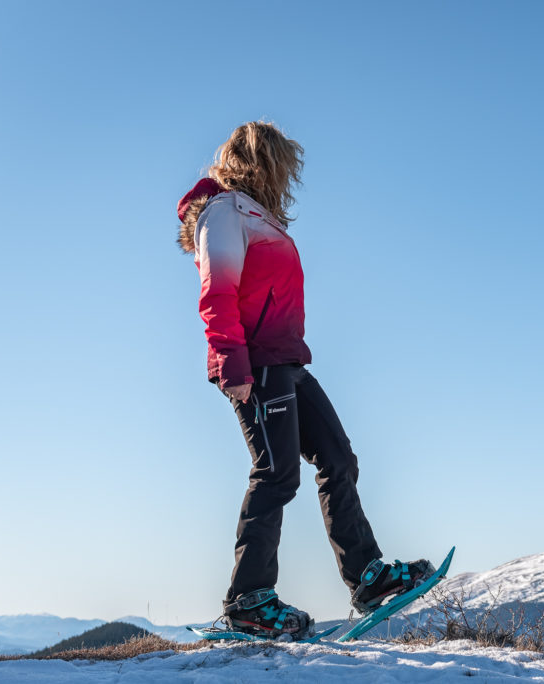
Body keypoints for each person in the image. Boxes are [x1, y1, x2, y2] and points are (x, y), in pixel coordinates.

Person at [177, 121, 433, 639]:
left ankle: (367, 576)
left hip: (287, 360)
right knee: (276, 472)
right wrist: (232, 364)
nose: (286, 176)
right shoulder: (223, 213)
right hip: (253, 363)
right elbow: (217, 295)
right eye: (279, 164)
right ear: (259, 162)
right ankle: (248, 600)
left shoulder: (259, 216)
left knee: (338, 458)